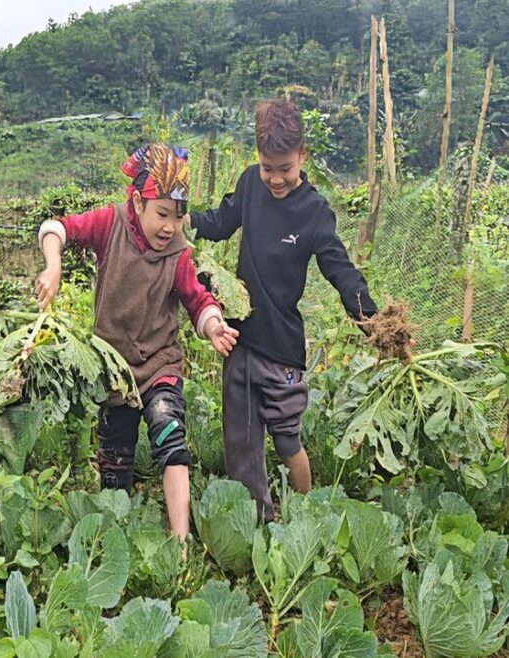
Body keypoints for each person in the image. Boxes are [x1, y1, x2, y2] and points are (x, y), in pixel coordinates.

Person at [33, 144, 239, 540]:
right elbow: (56, 229)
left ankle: (180, 543)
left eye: (177, 218)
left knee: (170, 435)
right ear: (137, 203)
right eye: (161, 214)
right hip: (113, 370)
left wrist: (214, 327)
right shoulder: (110, 225)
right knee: (114, 463)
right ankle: (114, 540)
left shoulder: (178, 254)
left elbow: (197, 299)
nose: (169, 227)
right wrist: (53, 265)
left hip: (159, 366)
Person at [188, 99, 378, 520]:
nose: (275, 178)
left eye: (285, 169)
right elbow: (221, 221)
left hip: (282, 350)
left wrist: (374, 322)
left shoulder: (313, 211)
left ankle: (305, 515)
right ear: (257, 156)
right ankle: (258, 518)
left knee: (287, 439)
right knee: (241, 441)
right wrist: (183, 222)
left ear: (302, 157)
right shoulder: (250, 185)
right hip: (238, 340)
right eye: (267, 167)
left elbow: (340, 271)